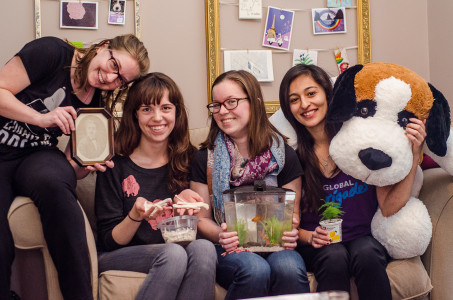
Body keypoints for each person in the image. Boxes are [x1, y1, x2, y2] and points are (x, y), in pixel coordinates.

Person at [0, 34, 149, 300]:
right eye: (113, 65)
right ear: (104, 47)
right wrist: (41, 118)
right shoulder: (52, 52)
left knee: (56, 183)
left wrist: (87, 166)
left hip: (37, 154)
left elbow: (72, 165)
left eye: (120, 79)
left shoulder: (95, 101)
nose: (110, 78)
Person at [278, 64, 426, 300]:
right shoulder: (291, 157)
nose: (305, 104)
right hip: (319, 247)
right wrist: (310, 236)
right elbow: (288, 222)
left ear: (328, 94)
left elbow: (388, 207)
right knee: (334, 255)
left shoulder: (359, 142)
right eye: (294, 99)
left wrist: (414, 154)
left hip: (364, 239)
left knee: (366, 251)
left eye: (311, 93)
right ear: (288, 109)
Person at [95, 72, 217, 300]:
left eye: (166, 108)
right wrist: (135, 214)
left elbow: (205, 223)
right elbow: (108, 241)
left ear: (177, 113)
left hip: (177, 250)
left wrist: (194, 205)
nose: (157, 117)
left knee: (205, 249)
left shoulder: (191, 159)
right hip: (120, 253)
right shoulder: (114, 165)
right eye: (147, 109)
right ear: (135, 115)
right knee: (173, 254)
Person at [190, 70, 310, 300]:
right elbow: (201, 219)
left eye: (231, 102)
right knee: (255, 269)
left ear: (254, 103)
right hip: (227, 248)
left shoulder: (284, 155)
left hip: (275, 245)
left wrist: (292, 230)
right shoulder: (205, 158)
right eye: (216, 105)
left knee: (288, 268)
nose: (223, 111)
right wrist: (220, 236)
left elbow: (293, 216)